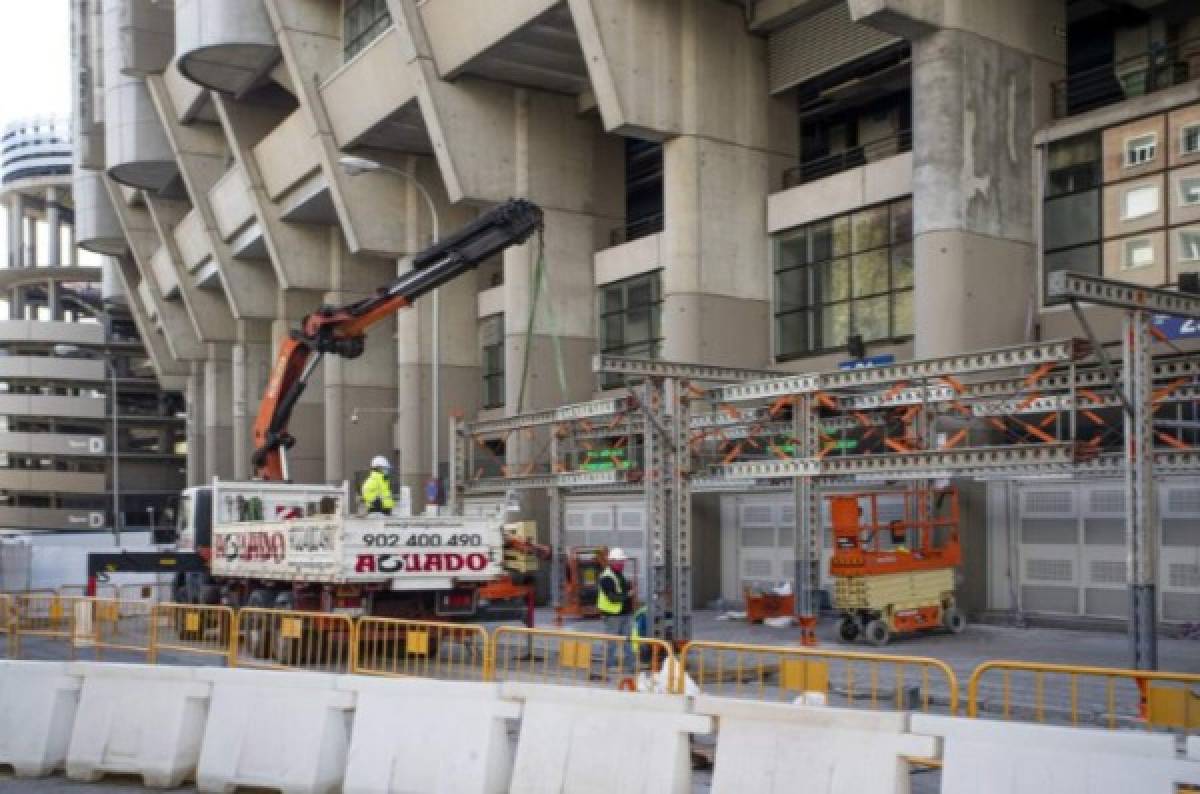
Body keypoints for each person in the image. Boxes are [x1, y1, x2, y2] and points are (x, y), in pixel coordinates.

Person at [596, 547, 634, 672]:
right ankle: (609, 665)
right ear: (611, 561)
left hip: (624, 613)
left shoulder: (618, 574)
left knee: (628, 641)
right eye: (619, 561)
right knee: (611, 642)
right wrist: (628, 595)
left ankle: (631, 665)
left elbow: (621, 590)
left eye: (622, 561)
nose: (622, 564)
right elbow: (612, 597)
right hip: (613, 615)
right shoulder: (606, 577)